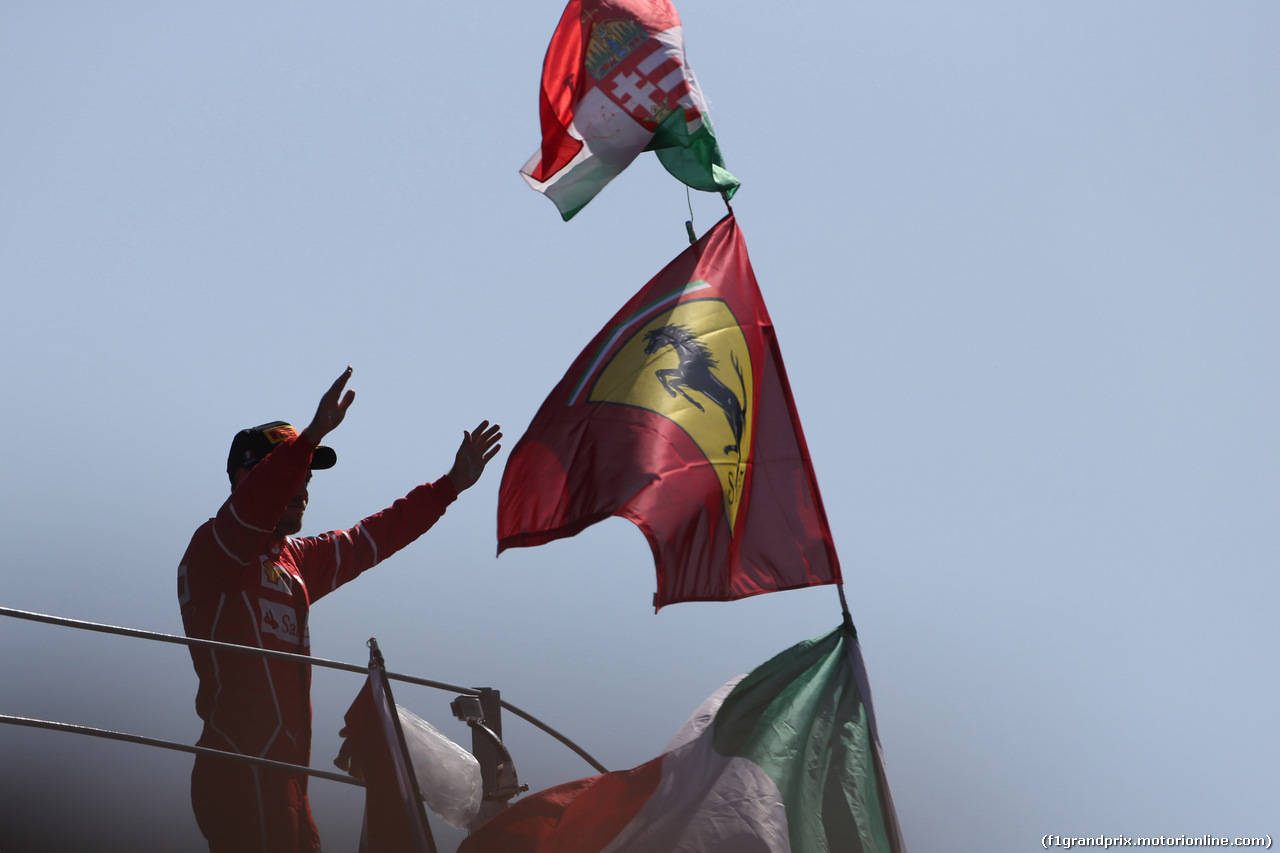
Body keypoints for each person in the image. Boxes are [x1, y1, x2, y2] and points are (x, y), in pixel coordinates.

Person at [176, 366, 501, 853]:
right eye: (291, 471)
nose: (303, 484)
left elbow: (375, 536)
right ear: (247, 478)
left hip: (289, 781)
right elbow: (247, 512)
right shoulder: (214, 549)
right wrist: (310, 436)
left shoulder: (297, 560)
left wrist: (450, 485)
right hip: (238, 770)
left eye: (307, 474)